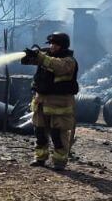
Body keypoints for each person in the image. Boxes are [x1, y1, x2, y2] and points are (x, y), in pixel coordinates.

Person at [21, 32, 79, 171]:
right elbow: (30, 61)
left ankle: (59, 162)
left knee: (58, 134)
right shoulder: (46, 56)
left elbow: (56, 66)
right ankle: (40, 158)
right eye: (51, 43)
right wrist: (29, 55)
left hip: (59, 103)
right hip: (41, 101)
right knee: (39, 131)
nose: (52, 46)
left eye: (55, 44)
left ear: (63, 45)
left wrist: (40, 56)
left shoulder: (69, 61)